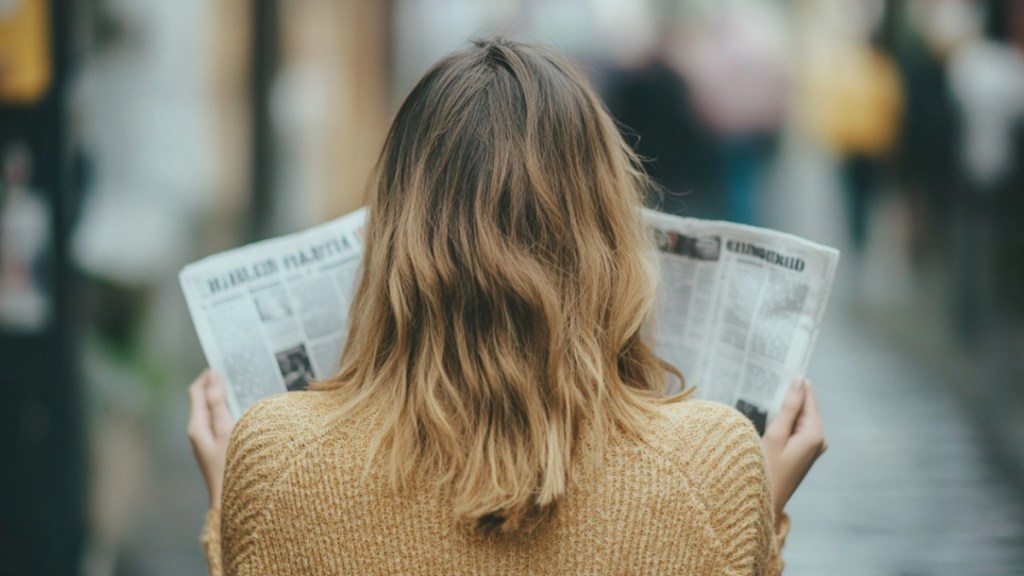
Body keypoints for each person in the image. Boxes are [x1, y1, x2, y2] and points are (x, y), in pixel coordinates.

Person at [187, 38, 827, 575]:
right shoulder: (714, 463)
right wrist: (753, 516)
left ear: (391, 237)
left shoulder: (275, 458)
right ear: (606, 234)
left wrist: (233, 510)